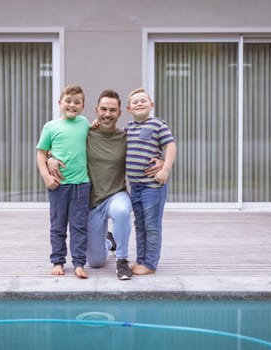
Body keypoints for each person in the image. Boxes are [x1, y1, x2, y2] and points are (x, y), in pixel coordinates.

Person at [48, 89, 163, 280]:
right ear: (96, 110)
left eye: (112, 110)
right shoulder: (86, 132)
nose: (107, 114)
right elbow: (64, 144)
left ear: (119, 113)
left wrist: (159, 160)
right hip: (91, 203)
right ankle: (109, 242)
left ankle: (122, 261)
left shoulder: (125, 136)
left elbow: (148, 148)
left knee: (121, 211)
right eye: (103, 109)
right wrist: (51, 157)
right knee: (95, 261)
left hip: (116, 195)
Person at [36, 84, 90, 279]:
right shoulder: (51, 127)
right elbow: (41, 153)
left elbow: (94, 136)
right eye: (68, 101)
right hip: (58, 186)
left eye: (77, 102)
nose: (72, 105)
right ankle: (58, 261)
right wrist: (46, 176)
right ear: (60, 103)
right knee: (58, 225)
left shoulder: (85, 123)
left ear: (83, 105)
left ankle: (78, 263)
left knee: (79, 226)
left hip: (82, 185)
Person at [125, 87, 176, 275]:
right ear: (129, 108)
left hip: (152, 186)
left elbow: (170, 146)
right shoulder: (127, 128)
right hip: (135, 186)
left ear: (151, 105)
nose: (139, 103)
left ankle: (150, 264)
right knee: (140, 224)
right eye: (135, 101)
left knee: (152, 225)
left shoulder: (157, 125)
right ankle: (141, 260)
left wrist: (165, 168)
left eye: (143, 100)